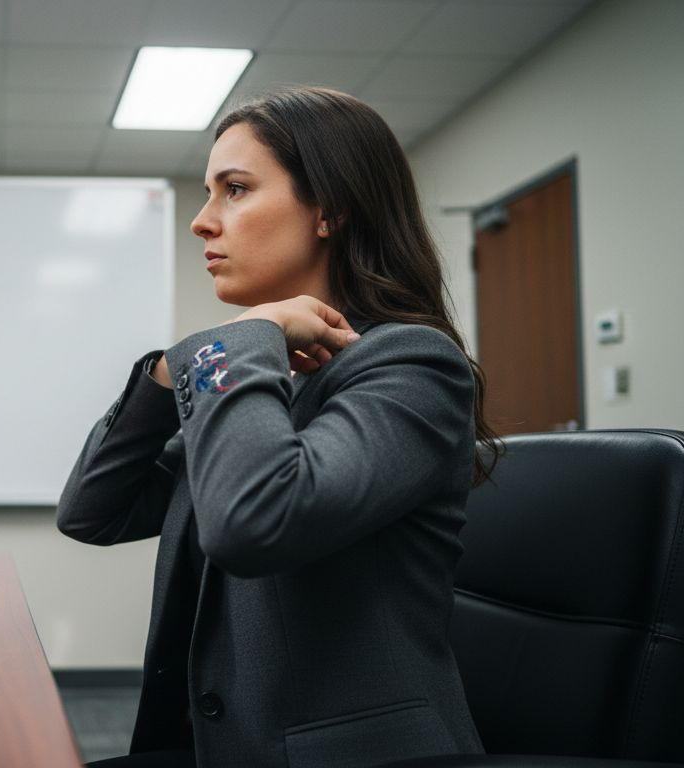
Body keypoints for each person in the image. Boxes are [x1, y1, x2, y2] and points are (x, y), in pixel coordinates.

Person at [56, 85, 501, 768]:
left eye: (233, 189)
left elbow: (252, 521)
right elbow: (91, 510)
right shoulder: (279, 377)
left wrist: (244, 337)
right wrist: (176, 370)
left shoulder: (414, 365)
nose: (203, 222)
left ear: (329, 210)